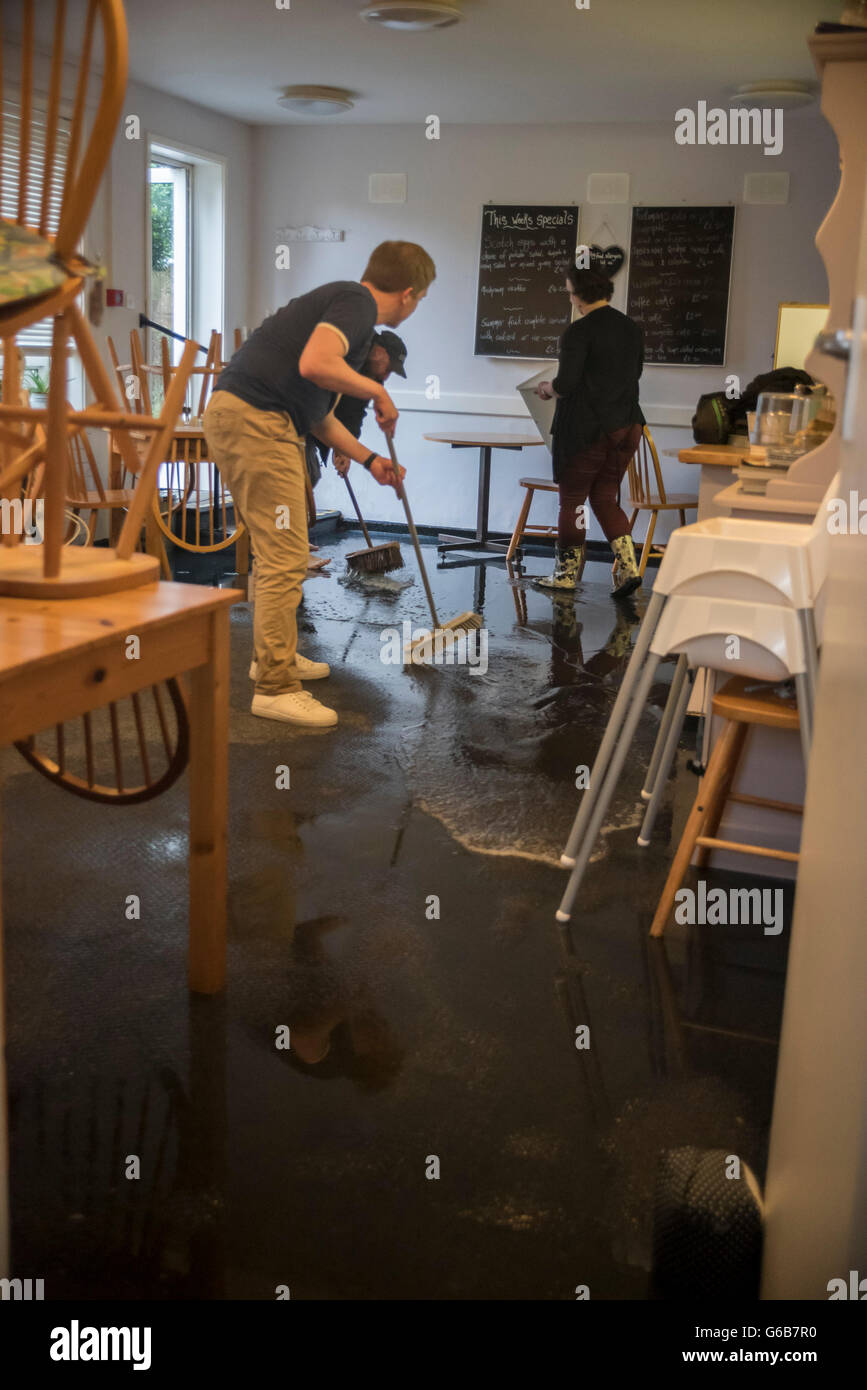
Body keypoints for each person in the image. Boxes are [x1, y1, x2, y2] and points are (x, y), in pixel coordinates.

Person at [203, 242, 435, 729]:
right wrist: (377, 390)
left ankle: (276, 657)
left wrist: (371, 460)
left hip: (265, 418)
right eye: (423, 299)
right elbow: (314, 364)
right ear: (410, 294)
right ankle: (274, 687)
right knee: (285, 556)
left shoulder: (347, 313)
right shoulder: (357, 303)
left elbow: (319, 416)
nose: (418, 307)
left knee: (280, 553)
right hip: (256, 421)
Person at [535, 264, 645, 597]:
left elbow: (567, 383)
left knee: (573, 503)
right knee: (604, 499)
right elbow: (634, 373)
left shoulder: (578, 332)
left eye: (570, 291)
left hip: (587, 429)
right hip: (628, 426)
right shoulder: (632, 329)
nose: (570, 297)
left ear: (580, 295)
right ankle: (629, 570)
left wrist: (546, 387)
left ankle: (565, 575)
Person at [308, 329, 408, 482]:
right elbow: (318, 405)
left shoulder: (372, 377)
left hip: (317, 422)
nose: (386, 376)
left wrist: (344, 449)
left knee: (310, 474)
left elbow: (354, 414)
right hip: (294, 412)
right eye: (388, 369)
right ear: (379, 351)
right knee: (307, 473)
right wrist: (340, 444)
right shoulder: (350, 346)